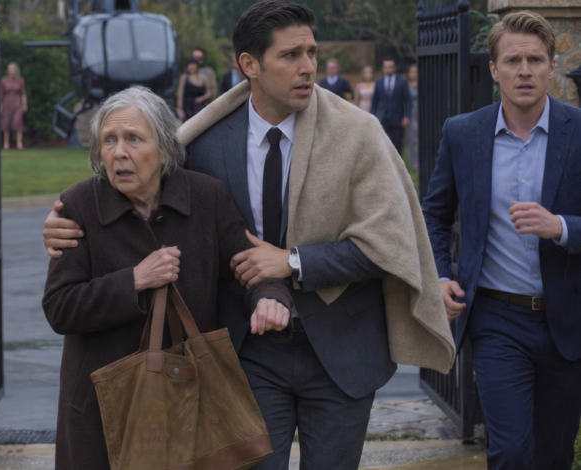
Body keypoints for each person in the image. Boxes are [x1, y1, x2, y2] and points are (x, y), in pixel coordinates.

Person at [44, 2, 455, 468]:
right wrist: (65, 224)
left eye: (311, 52)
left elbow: (390, 245)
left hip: (342, 352)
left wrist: (293, 262)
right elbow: (146, 192)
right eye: (290, 55)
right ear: (249, 64)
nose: (308, 67)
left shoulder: (358, 134)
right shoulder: (206, 142)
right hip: (247, 353)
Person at [41, 86, 293, 470]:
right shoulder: (78, 206)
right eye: (109, 140)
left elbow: (248, 265)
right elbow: (60, 308)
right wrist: (133, 280)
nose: (119, 153)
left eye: (133, 139)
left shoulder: (206, 197)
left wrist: (269, 297)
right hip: (101, 409)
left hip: (188, 400)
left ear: (165, 150)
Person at [422, 11, 581, 470]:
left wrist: (561, 227)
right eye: (512, 61)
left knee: (554, 455)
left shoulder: (577, 131)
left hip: (567, 319)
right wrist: (440, 276)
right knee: (510, 451)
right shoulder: (462, 133)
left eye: (535, 60)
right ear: (494, 70)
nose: (524, 71)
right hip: (497, 319)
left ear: (552, 66)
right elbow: (433, 215)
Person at [370, 58, 412, 154]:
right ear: (383, 68)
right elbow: (374, 101)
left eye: (390, 66)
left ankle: (397, 163)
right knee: (381, 144)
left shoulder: (402, 81)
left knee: (397, 144)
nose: (388, 69)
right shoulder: (378, 82)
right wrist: (372, 116)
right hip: (381, 117)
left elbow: (408, 100)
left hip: (397, 117)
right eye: (386, 67)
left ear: (395, 67)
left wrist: (407, 116)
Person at [0, 61, 28, 150]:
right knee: (6, 123)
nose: (10, 71)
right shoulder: (3, 81)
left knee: (18, 122)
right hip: (6, 103)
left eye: (12, 69)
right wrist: (0, 106)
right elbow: (1, 94)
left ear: (16, 70)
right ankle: (6, 143)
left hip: (17, 103)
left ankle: (19, 143)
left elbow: (23, 93)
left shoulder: (21, 80)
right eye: (9, 69)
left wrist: (24, 104)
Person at [405, 64, 419, 169]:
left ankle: (420, 160)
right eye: (411, 72)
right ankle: (412, 162)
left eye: (415, 72)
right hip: (410, 113)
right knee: (411, 138)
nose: (413, 74)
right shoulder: (405, 85)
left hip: (420, 113)